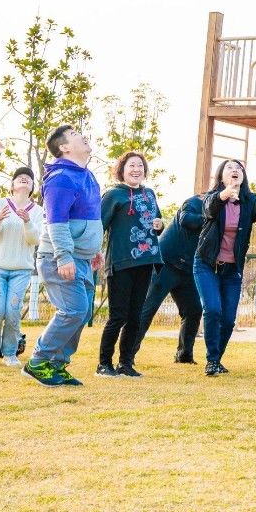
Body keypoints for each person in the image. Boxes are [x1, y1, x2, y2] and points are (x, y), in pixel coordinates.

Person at [23, 123, 102, 387]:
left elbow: (88, 219)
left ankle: (56, 365)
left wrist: (95, 250)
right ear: (64, 147)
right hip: (57, 258)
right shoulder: (60, 179)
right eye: (77, 135)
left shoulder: (87, 176)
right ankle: (38, 360)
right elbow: (56, 223)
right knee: (73, 310)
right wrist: (64, 257)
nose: (84, 137)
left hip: (82, 258)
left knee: (81, 312)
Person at [194, 159, 256, 376]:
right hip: (206, 264)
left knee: (228, 319)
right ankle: (212, 360)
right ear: (221, 176)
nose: (235, 170)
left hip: (232, 270)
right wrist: (225, 194)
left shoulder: (248, 201)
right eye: (230, 168)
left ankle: (216, 359)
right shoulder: (212, 198)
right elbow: (209, 208)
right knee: (213, 310)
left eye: (239, 168)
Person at [96, 152, 165, 378]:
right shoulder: (113, 195)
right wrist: (94, 251)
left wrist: (159, 225)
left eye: (140, 166)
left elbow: (157, 223)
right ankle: (104, 364)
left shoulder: (150, 194)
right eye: (131, 165)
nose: (136, 169)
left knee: (135, 316)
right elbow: (100, 226)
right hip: (121, 261)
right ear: (122, 169)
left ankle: (126, 363)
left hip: (146, 260)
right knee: (118, 315)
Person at [0, 167, 42, 368]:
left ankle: (10, 353)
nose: (24, 179)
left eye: (28, 179)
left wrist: (27, 222)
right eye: (19, 177)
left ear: (32, 187)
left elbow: (35, 239)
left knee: (13, 312)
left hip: (21, 269)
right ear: (12, 184)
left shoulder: (38, 211)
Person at [135, 191, 205, 366]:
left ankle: (184, 355)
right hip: (165, 264)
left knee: (194, 310)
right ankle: (127, 355)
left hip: (188, 270)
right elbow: (186, 219)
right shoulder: (194, 202)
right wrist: (210, 216)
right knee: (147, 309)